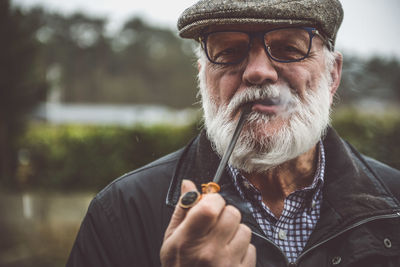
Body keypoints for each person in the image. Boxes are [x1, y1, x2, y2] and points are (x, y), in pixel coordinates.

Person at [67, 0, 400, 266]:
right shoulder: (121, 214)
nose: (257, 72)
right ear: (203, 75)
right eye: (229, 51)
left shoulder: (395, 201)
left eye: (288, 48)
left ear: (332, 75)